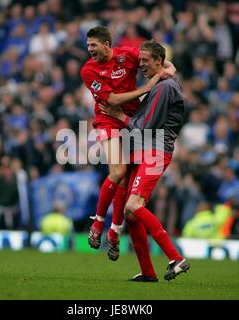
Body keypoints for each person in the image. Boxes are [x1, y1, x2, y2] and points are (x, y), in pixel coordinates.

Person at [80, 26, 176, 261]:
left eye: (93, 45)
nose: (89, 49)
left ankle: (114, 233)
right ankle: (98, 223)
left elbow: (164, 64)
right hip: (108, 121)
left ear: (107, 44)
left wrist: (170, 69)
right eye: (88, 45)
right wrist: (146, 88)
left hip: (131, 122)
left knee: (125, 181)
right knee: (118, 171)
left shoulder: (127, 55)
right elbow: (111, 100)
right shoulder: (88, 70)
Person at [100, 40, 189, 281]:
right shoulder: (159, 83)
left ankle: (176, 258)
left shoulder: (164, 87)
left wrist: (119, 115)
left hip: (156, 151)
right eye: (139, 60)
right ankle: (148, 273)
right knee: (131, 214)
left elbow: (146, 127)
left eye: (145, 61)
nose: (141, 65)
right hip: (144, 150)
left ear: (159, 61)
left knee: (133, 206)